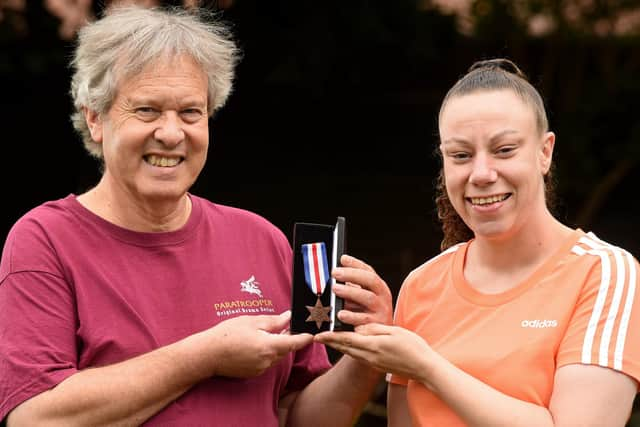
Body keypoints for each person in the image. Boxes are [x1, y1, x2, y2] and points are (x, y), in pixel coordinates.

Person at [0, 5, 392, 426]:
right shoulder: (45, 239)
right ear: (95, 118)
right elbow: (36, 419)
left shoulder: (260, 238)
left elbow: (298, 417)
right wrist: (205, 355)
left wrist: (368, 355)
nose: (171, 134)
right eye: (147, 110)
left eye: (190, 112)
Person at [316, 58, 640, 426]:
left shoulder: (605, 273)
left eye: (504, 150)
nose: (481, 174)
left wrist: (426, 366)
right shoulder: (421, 285)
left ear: (544, 152)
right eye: (461, 155)